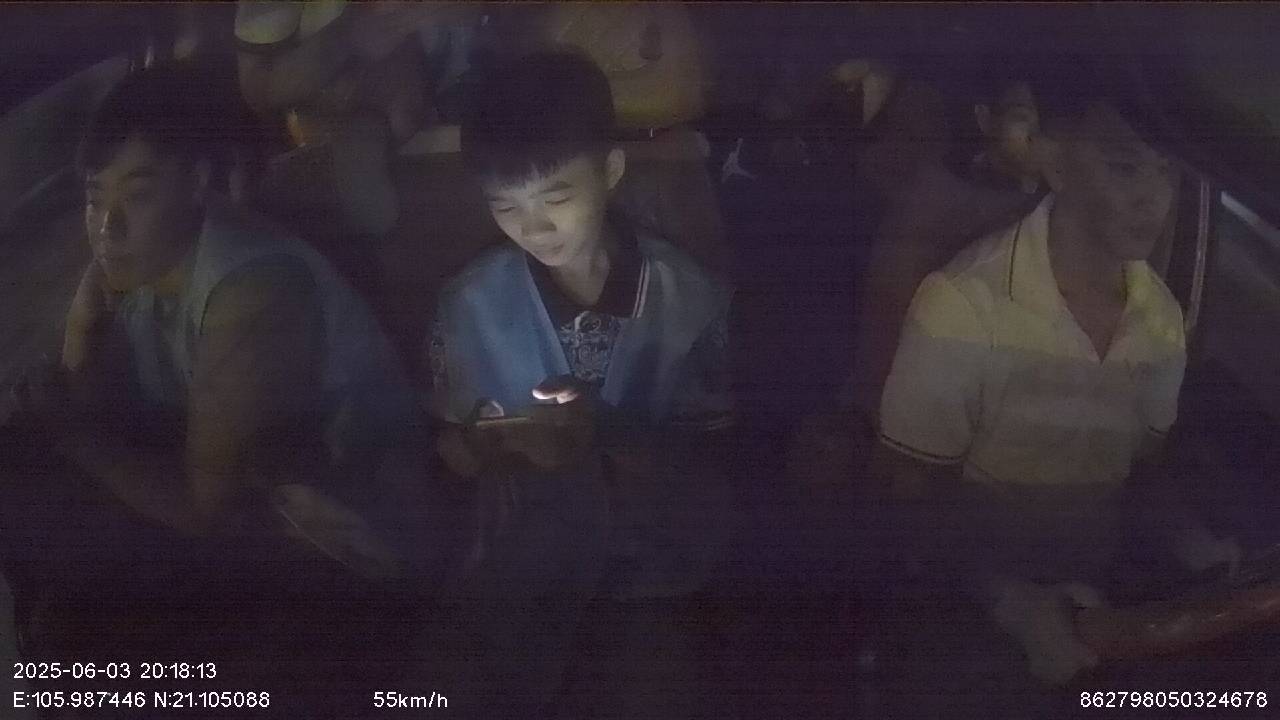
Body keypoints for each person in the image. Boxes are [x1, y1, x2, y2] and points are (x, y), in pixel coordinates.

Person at [0, 66, 428, 674]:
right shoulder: (130, 261)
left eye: (137, 195)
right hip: (240, 508)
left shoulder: (253, 286)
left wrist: (71, 432)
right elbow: (82, 398)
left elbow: (210, 511)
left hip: (338, 543)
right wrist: (82, 347)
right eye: (95, 199)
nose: (108, 227)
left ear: (198, 182)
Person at [868, 73, 1238, 711]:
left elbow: (1141, 473)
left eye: (1168, 174)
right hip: (969, 613)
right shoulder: (964, 307)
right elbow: (908, 502)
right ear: (1057, 164)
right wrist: (1012, 603)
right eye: (1125, 168)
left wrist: (1195, 543)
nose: (1153, 200)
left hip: (1100, 604)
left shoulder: (1161, 319)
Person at [424, 50, 735, 716]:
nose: (534, 228)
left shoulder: (688, 300)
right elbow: (452, 444)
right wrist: (487, 450)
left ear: (611, 171)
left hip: (651, 569)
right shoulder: (470, 303)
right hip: (515, 566)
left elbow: (710, 463)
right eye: (506, 207)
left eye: (556, 199)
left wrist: (607, 434)